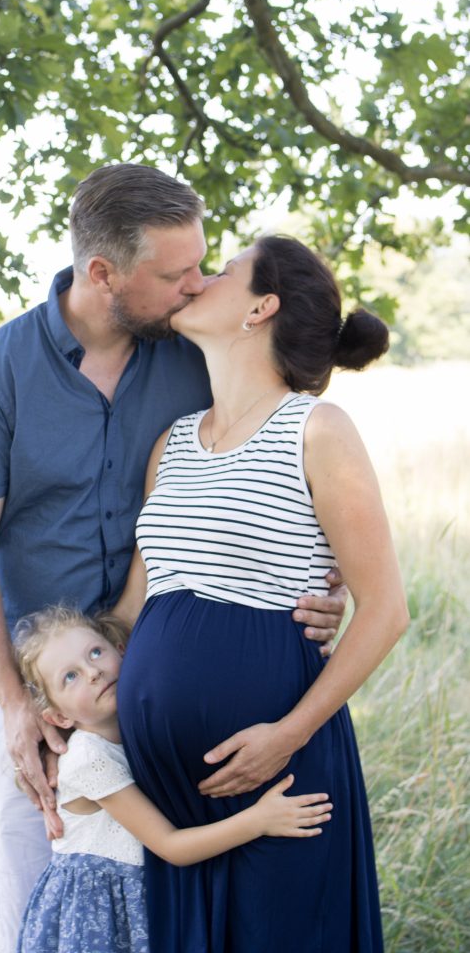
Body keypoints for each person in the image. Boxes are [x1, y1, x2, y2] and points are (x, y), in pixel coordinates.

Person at [0, 165, 346, 953]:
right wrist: (21, 707)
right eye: (173, 274)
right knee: (22, 881)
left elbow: (275, 459)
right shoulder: (2, 370)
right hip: (37, 685)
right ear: (103, 274)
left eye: (202, 266)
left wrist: (315, 582)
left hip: (150, 679)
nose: (194, 287)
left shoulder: (191, 353)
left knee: (150, 892)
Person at [115, 234, 410, 953]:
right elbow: (135, 607)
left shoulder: (315, 430)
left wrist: (289, 733)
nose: (198, 281)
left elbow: (386, 610)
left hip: (282, 768)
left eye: (222, 271)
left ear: (261, 307)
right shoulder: (173, 443)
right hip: (174, 793)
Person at [13, 604, 333, 953]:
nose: (92, 671)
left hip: (141, 899)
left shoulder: (141, 731)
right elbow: (170, 846)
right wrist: (258, 821)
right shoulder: (88, 759)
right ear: (58, 717)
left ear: (121, 650)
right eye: (69, 677)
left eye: (95, 652)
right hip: (99, 918)